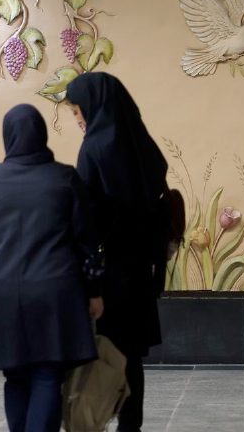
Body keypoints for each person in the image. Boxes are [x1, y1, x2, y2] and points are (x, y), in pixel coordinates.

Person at [0, 104, 103, 432]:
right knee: (47, 374)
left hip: (2, 293)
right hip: (54, 292)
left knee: (15, 375)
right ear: (42, 134)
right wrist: (95, 290)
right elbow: (86, 237)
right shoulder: (64, 178)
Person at [65, 72, 170, 432]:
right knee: (132, 357)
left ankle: (94, 420)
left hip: (109, 273)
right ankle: (130, 427)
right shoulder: (143, 146)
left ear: (93, 106)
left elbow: (86, 218)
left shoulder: (93, 149)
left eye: (77, 110)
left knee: (106, 354)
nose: (78, 119)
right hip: (141, 270)